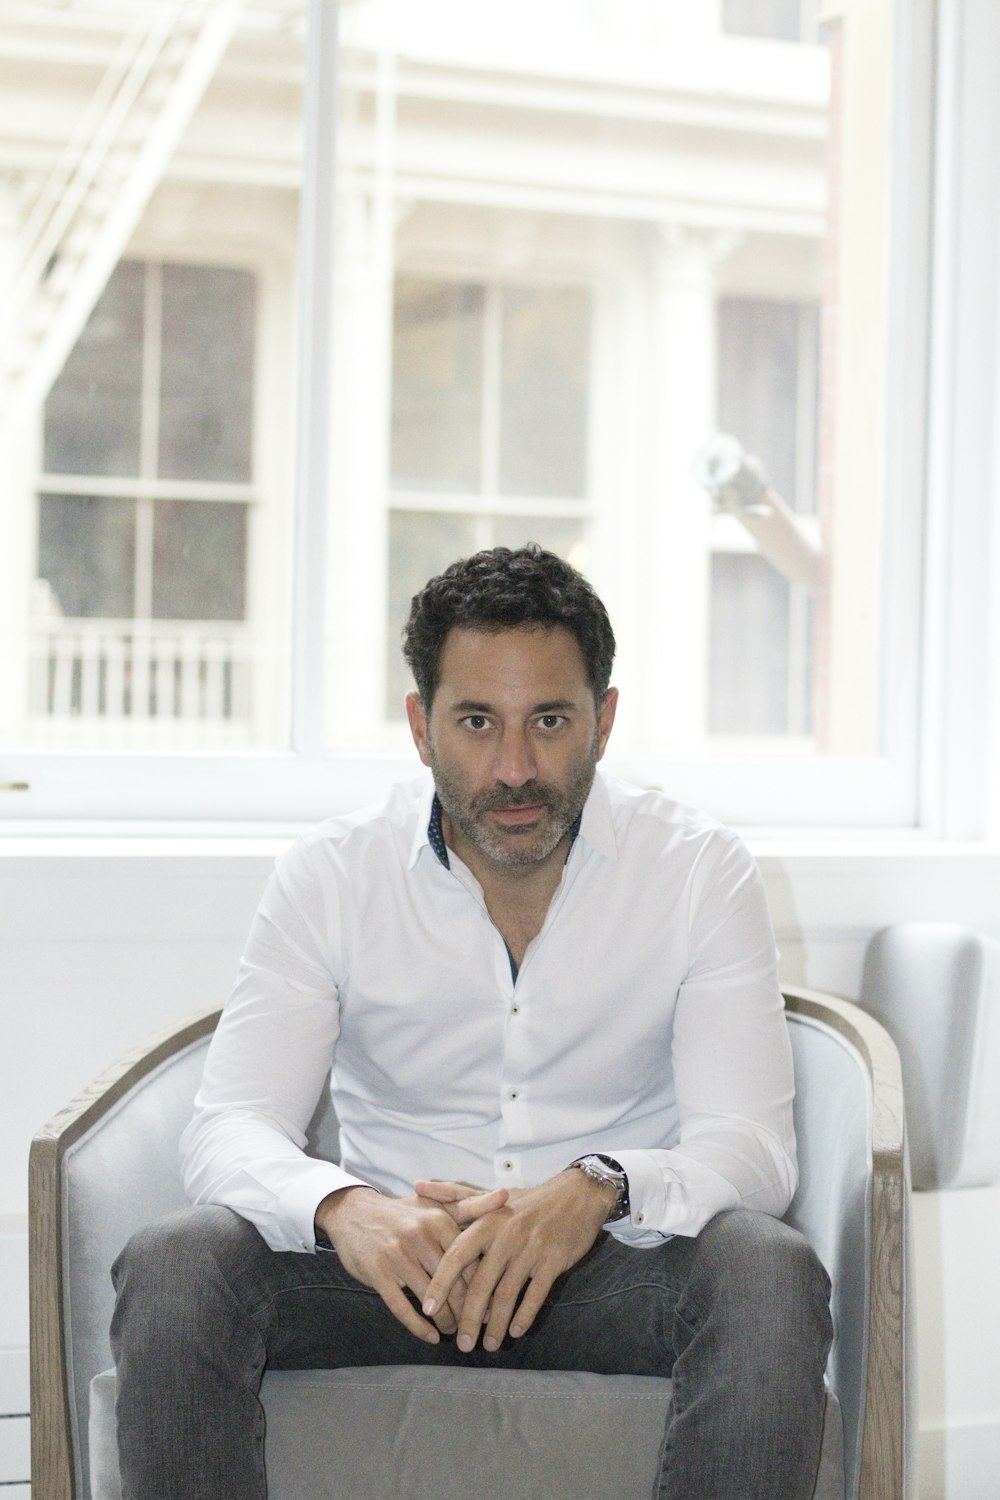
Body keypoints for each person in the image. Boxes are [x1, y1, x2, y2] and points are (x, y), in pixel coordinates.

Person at [111, 544, 833, 1500]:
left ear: (604, 721)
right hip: (387, 1276)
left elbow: (753, 1148)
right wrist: (345, 1208)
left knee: (766, 1271)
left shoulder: (700, 871)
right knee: (178, 1264)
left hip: (608, 1273)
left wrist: (596, 1189)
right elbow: (228, 1126)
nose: (515, 768)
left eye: (551, 721)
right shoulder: (331, 874)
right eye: (478, 723)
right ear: (421, 727)